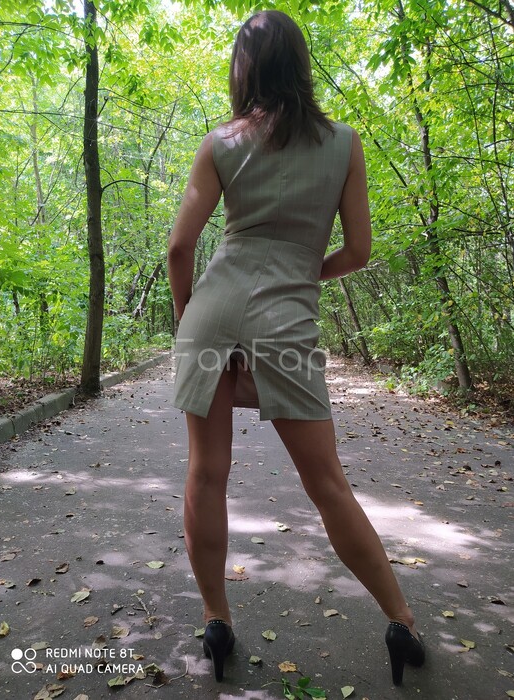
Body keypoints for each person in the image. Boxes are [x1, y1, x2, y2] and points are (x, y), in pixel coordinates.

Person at [168, 9, 425, 686]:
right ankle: (400, 621)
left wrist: (185, 317)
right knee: (326, 482)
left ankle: (216, 620)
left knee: (206, 474)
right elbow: (359, 251)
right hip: (285, 315)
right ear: (300, 65)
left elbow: (180, 247)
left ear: (244, 68)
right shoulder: (344, 143)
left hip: (212, 311)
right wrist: (301, 270)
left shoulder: (221, 142)